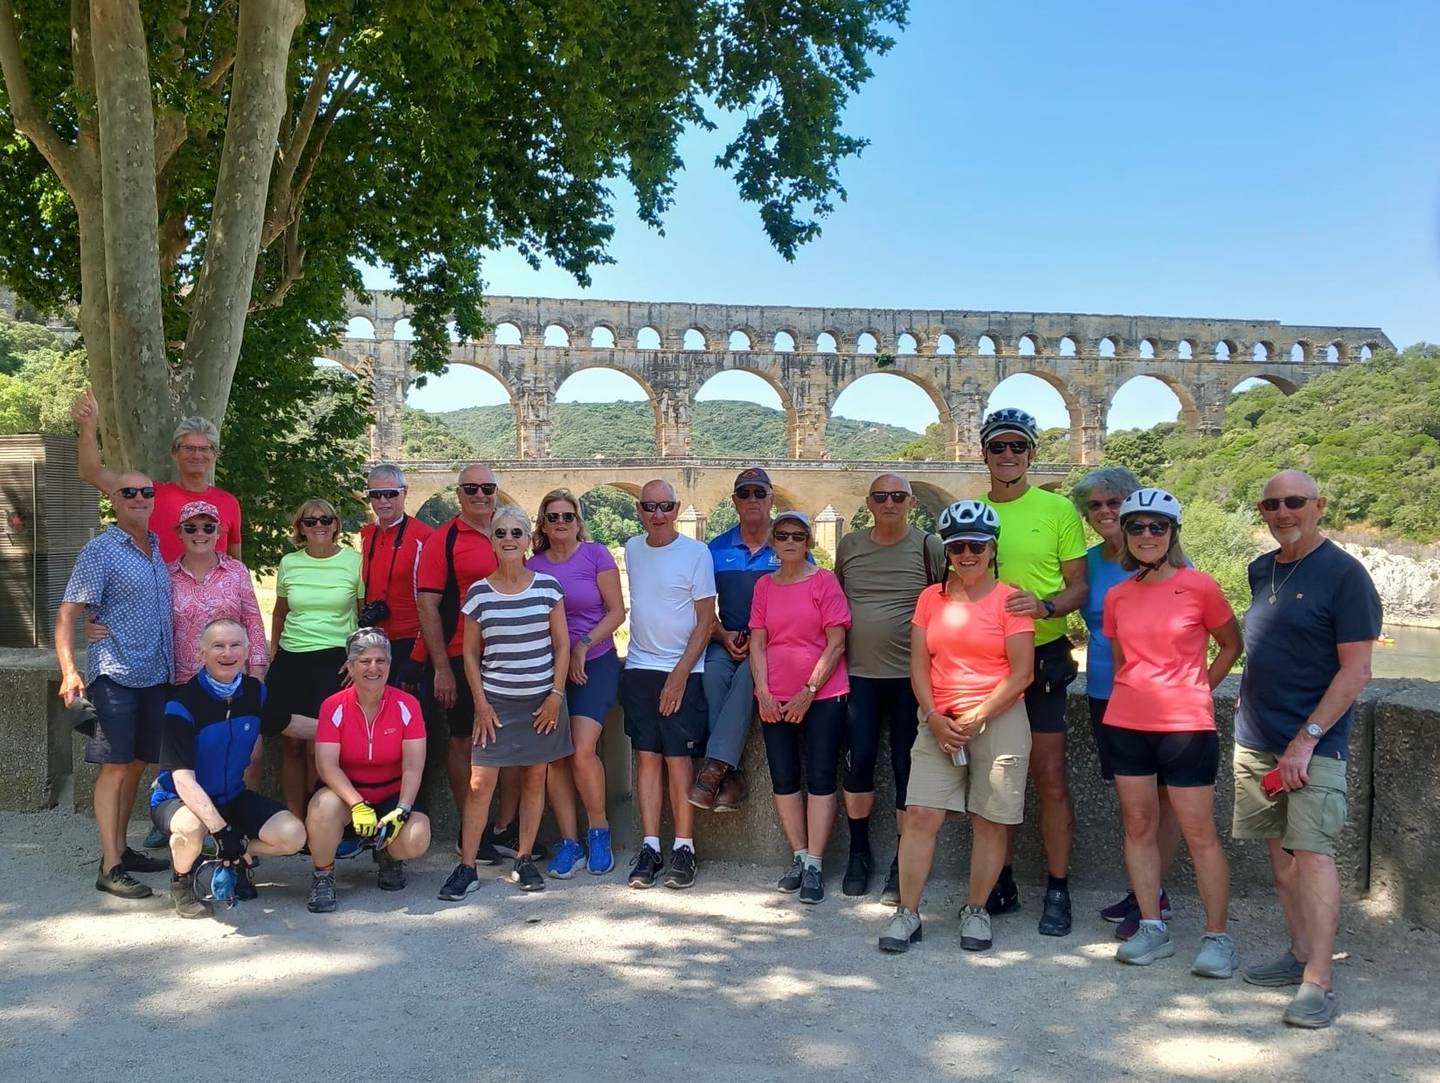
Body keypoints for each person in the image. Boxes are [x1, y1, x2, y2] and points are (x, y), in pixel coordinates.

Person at [1232, 470, 1380, 1028]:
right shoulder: (1261, 569)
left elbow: (1356, 672)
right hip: (1257, 738)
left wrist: (1305, 741)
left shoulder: (1345, 575)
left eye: (1294, 501)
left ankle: (1319, 979)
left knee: (1313, 855)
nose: (1282, 512)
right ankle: (1297, 952)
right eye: (1271, 504)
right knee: (1281, 858)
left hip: (1312, 745)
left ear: (1319, 505)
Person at [878, 501, 1035, 954]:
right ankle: (907, 912)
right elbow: (919, 664)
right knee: (920, 815)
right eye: (958, 547)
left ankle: (977, 909)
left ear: (992, 549)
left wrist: (977, 715)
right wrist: (932, 716)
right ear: (947, 551)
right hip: (939, 719)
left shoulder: (1010, 599)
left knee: (990, 821)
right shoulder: (931, 598)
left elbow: (1022, 672)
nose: (967, 554)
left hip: (998, 717)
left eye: (976, 546)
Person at [1102, 489, 1243, 976]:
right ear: (1125, 534)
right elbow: (1122, 662)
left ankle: (1217, 936)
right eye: (1137, 526)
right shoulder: (1117, 595)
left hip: (1186, 725)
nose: (1147, 535)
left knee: (1199, 831)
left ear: (1173, 532)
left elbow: (1231, 645)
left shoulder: (1200, 586)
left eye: (1157, 526)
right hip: (1127, 722)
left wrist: (1199, 687)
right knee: (1138, 826)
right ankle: (1151, 926)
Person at [979, 407, 1088, 936]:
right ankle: (999, 881)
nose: (1008, 455)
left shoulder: (1058, 509)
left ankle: (1058, 887)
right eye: (998, 446)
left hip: (1043, 657)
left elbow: (1079, 587)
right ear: (983, 454)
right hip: (986, 662)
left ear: (1031, 453)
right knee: (993, 777)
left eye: (1017, 446)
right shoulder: (973, 511)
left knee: (1049, 777)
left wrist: (1044, 607)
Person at [439, 507, 572, 900]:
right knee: (480, 784)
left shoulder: (548, 587)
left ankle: (524, 858)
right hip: (495, 702)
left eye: (517, 532)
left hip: (541, 702)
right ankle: (467, 866)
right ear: (492, 541)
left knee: (534, 779)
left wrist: (556, 695)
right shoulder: (479, 593)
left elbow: (562, 645)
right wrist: (480, 704)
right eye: (501, 533)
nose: (509, 539)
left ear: (528, 540)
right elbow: (469, 653)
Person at [1072, 467, 1183, 939]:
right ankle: (1144, 889)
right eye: (1094, 505)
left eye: (1114, 502)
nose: (1104, 512)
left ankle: (1152, 896)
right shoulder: (1089, 562)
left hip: (1159, 695)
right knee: (1133, 802)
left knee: (1163, 799)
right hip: (1105, 690)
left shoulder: (1161, 557)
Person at [56, 473, 174, 898]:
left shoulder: (155, 546)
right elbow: (68, 613)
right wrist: (70, 671)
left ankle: (122, 850)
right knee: (115, 766)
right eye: (129, 492)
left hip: (155, 674)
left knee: (138, 763)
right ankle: (109, 867)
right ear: (114, 500)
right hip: (116, 675)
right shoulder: (101, 550)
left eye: (147, 492)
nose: (139, 498)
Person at [834, 474, 947, 902]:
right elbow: (835, 598)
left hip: (910, 678)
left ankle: (903, 860)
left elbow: (943, 599)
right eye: (881, 496)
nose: (889, 503)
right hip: (858, 675)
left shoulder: (928, 546)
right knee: (858, 762)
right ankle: (859, 852)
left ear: (911, 502)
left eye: (898, 496)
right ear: (868, 503)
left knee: (905, 766)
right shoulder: (850, 545)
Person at [410, 463, 529, 862]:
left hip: (512, 654)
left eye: (488, 487)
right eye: (472, 488)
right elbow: (427, 605)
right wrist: (441, 667)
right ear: (458, 494)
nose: (481, 495)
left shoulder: (509, 531)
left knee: (513, 741)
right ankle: (470, 830)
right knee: (463, 739)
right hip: (462, 654)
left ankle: (504, 828)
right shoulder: (443, 539)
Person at [151, 619, 306, 917]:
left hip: (231, 795)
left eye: (235, 645)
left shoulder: (255, 692)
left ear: (247, 651)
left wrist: (343, 729)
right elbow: (183, 781)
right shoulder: (181, 704)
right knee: (190, 827)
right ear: (202, 652)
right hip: (178, 799)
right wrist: (221, 831)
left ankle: (235, 856)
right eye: (218, 646)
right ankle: (182, 881)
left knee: (294, 835)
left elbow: (289, 724)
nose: (227, 653)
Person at [748, 510, 850, 904]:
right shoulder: (764, 586)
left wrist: (809, 690)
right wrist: (763, 691)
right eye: (783, 535)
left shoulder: (824, 582)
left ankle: (816, 865)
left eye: (798, 535)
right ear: (773, 541)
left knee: (822, 776)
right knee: (784, 776)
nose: (790, 541)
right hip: (774, 695)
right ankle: (799, 856)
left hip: (823, 694)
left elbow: (836, 643)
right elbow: (758, 642)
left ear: (808, 541)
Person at [620, 479, 716, 890]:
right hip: (639, 666)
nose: (657, 514)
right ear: (639, 510)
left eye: (666, 506)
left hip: (684, 670)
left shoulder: (697, 553)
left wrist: (679, 676)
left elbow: (706, 620)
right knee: (646, 757)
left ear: (677, 510)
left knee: (679, 759)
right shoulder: (632, 549)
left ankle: (684, 847)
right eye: (649, 506)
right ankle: (650, 847)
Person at [528, 488, 626, 877]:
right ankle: (569, 842)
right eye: (553, 517)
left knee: (582, 749)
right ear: (543, 524)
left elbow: (617, 612)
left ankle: (598, 831)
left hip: (594, 661)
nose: (560, 523)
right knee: (556, 755)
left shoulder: (596, 555)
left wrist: (583, 645)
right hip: (549, 668)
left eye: (567, 516)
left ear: (577, 521)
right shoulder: (534, 565)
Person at [306, 628, 432, 912]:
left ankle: (388, 854)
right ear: (350, 666)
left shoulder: (408, 705)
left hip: (391, 791)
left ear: (389, 664)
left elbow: (413, 765)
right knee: (323, 809)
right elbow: (327, 765)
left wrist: (403, 809)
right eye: (364, 661)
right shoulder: (333, 706)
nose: (373, 668)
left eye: (380, 661)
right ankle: (323, 875)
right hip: (347, 793)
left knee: (416, 838)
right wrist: (357, 804)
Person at [690, 467, 791, 814]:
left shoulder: (788, 542)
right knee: (713, 674)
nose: (752, 500)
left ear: (771, 499)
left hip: (774, 644)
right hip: (727, 637)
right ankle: (731, 776)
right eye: (745, 493)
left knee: (750, 676)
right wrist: (723, 634)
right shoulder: (714, 549)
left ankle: (715, 769)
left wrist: (762, 639)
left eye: (759, 493)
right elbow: (702, 605)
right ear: (734, 501)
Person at [265, 498, 363, 820]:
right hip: (292, 659)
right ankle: (295, 821)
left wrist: (357, 658)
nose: (319, 525)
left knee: (321, 745)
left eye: (325, 520)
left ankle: (319, 820)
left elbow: (363, 617)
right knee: (291, 745)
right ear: (301, 528)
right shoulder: (289, 563)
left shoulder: (355, 562)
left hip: (335, 660)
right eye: (310, 521)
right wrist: (274, 653)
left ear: (336, 525)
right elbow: (280, 613)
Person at [72, 388, 244, 562]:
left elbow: (236, 565)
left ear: (214, 455)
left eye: (204, 449)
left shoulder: (229, 503)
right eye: (189, 448)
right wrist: (88, 426)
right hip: (156, 580)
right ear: (174, 453)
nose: (197, 455)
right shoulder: (145, 494)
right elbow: (91, 472)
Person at [359, 463, 434, 676]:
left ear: (404, 493)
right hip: (374, 640)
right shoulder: (366, 535)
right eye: (376, 495)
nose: (383, 501)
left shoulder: (425, 537)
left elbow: (431, 603)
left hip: (411, 643)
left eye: (391, 493)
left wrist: (418, 656)